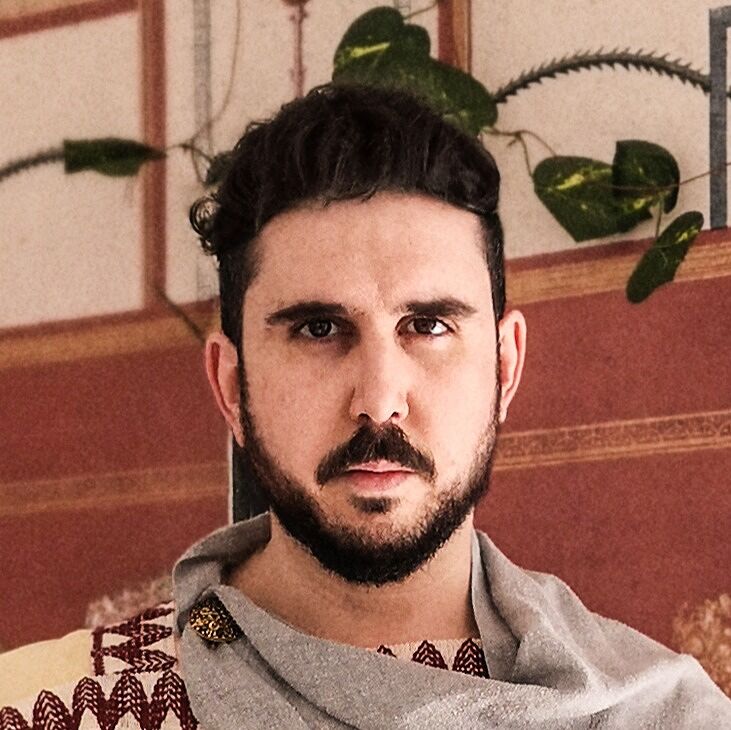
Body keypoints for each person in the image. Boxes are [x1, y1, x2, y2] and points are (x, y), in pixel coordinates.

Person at [1, 83, 729, 729]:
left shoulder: (657, 714)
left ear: (504, 367)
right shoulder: (50, 708)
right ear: (230, 385)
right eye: (319, 330)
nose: (379, 401)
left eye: (429, 326)